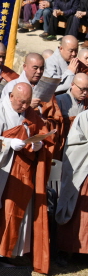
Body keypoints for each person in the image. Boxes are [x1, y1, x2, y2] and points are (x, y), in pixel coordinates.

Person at [0, 82, 51, 273]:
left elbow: (42, 135)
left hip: (21, 172)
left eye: (27, 103)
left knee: (13, 212)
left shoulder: (31, 114)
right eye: (20, 102)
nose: (24, 106)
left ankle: (4, 253)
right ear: (11, 97)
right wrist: (8, 142)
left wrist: (37, 146)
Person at [57, 105, 88, 260]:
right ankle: (69, 249)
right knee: (78, 209)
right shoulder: (84, 117)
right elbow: (76, 144)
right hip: (83, 171)